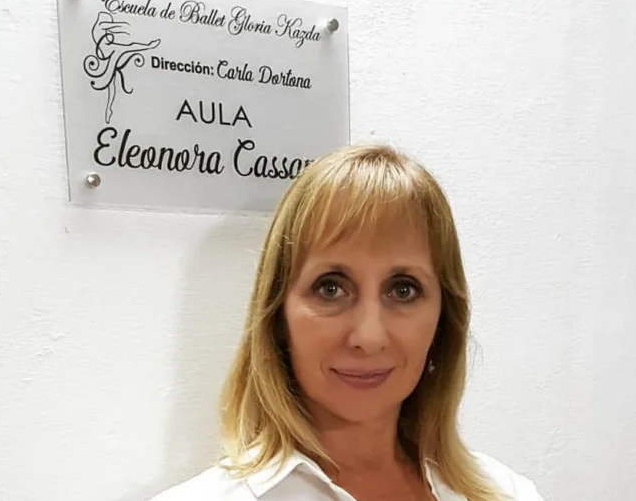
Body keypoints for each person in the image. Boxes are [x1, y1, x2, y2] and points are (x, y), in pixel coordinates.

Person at [151, 144, 544, 500]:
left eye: (403, 290)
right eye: (331, 288)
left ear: (444, 318)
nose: (368, 337)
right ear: (277, 314)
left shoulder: (508, 493)